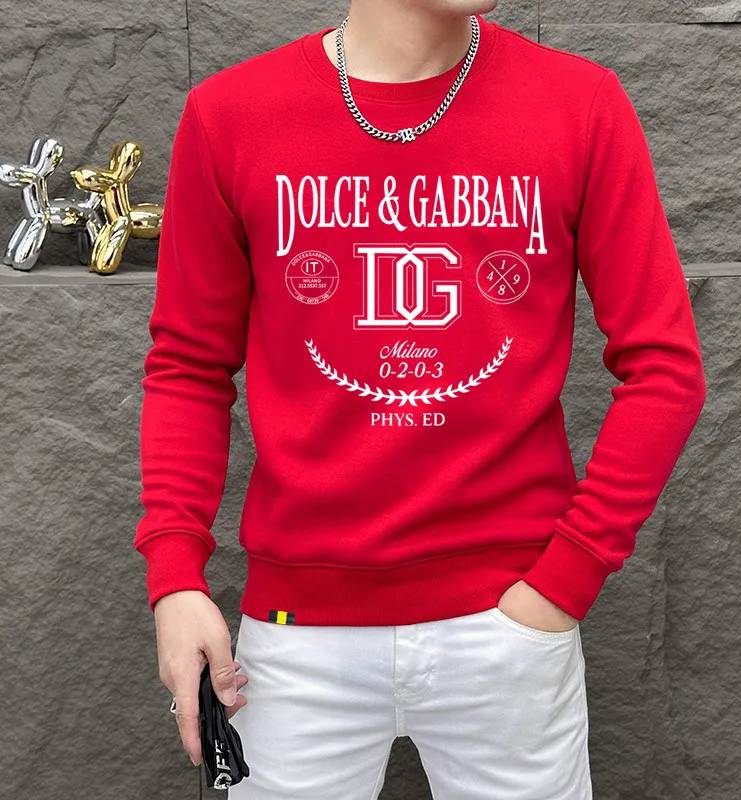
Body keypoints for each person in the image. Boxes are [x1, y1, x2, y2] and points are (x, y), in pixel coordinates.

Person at [135, 1, 707, 797]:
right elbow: (190, 367)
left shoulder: (579, 105)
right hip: (298, 637)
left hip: (508, 630)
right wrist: (175, 577)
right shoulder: (231, 115)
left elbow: (666, 365)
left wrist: (564, 582)